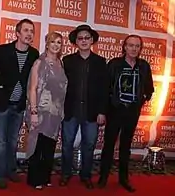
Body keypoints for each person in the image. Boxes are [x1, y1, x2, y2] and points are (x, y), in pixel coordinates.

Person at [0, 19, 39, 189]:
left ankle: (10, 169)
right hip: (2, 103)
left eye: (32, 31)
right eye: (26, 30)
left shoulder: (34, 54)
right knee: (0, 141)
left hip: (19, 105)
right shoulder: (3, 50)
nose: (29, 34)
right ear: (17, 33)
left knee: (13, 140)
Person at [98, 34, 154, 192]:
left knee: (126, 146)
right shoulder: (114, 64)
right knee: (108, 145)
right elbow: (105, 89)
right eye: (131, 45)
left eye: (137, 46)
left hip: (132, 112)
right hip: (115, 111)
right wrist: (104, 110)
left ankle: (123, 179)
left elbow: (149, 89)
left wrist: (140, 101)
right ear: (124, 47)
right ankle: (103, 177)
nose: (134, 49)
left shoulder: (144, 66)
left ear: (140, 49)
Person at [59, 25, 109, 189]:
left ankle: (85, 175)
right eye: (80, 38)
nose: (84, 41)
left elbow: (104, 89)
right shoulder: (67, 61)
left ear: (92, 40)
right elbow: (60, 87)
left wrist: (102, 111)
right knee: (67, 144)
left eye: (87, 37)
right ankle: (65, 174)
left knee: (89, 145)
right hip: (70, 110)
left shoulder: (101, 62)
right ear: (75, 42)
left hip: (92, 112)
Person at [25, 32, 68, 190]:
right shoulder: (39, 63)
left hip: (55, 112)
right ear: (47, 44)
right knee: (38, 146)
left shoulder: (60, 63)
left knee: (49, 146)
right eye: (53, 42)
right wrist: (34, 112)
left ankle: (45, 176)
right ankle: (35, 179)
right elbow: (32, 88)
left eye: (59, 42)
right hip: (41, 111)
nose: (56, 45)